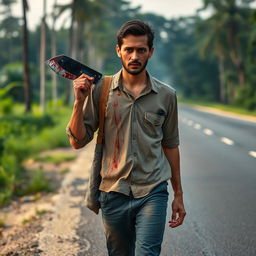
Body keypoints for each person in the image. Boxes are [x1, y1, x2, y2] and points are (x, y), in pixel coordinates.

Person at [66, 20, 186, 256]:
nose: (134, 56)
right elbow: (77, 141)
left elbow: (170, 145)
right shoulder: (101, 89)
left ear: (150, 52)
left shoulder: (167, 96)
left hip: (153, 190)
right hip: (113, 192)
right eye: (128, 49)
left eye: (141, 50)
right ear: (118, 50)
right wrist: (79, 103)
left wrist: (179, 195)